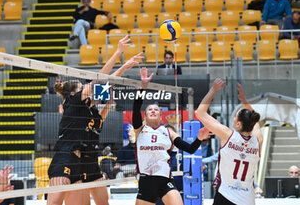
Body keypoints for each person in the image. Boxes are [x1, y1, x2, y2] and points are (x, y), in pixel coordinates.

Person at [47, 35, 142, 205]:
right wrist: (118, 52)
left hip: (84, 161)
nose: (88, 89)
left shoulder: (89, 110)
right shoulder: (72, 101)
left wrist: (124, 67)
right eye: (83, 87)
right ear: (75, 94)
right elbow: (100, 79)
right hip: (65, 157)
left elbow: (105, 84)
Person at [133, 67, 211, 205]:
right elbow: (136, 107)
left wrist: (199, 138)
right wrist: (143, 87)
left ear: (160, 114)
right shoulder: (140, 129)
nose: (152, 111)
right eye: (149, 109)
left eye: (155, 109)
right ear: (145, 115)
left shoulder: (168, 132)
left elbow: (190, 149)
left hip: (165, 181)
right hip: (146, 181)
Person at [196, 81, 263, 205]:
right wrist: (244, 101)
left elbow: (200, 113)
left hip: (225, 196)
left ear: (238, 124)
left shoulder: (228, 135)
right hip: (247, 200)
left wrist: (213, 90)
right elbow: (256, 123)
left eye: (235, 117)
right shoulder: (258, 140)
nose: (233, 118)